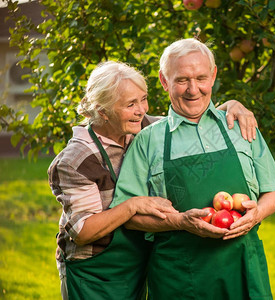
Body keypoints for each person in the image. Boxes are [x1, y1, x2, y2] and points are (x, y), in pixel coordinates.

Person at [47, 61, 259, 300]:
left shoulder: (147, 128)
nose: (141, 110)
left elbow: (195, 122)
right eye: (130, 104)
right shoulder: (76, 160)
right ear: (103, 111)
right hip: (94, 271)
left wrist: (232, 107)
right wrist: (133, 205)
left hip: (138, 260)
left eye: (143, 99)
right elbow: (82, 232)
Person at [112, 38, 275, 299]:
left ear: (214, 75)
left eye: (201, 78)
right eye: (182, 80)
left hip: (242, 268)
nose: (193, 90)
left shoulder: (241, 127)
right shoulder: (148, 141)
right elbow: (127, 215)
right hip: (179, 276)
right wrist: (179, 222)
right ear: (164, 81)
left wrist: (257, 214)